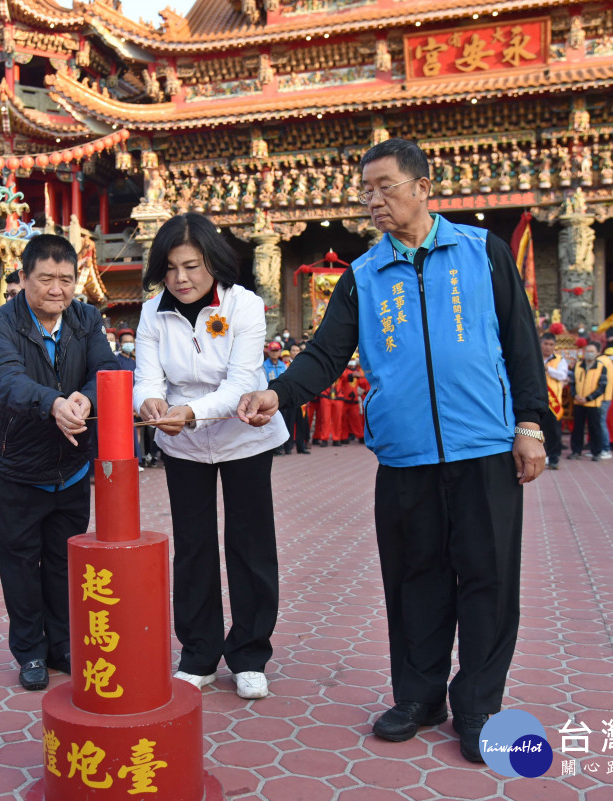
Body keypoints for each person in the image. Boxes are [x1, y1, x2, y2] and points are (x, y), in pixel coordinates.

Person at [237, 138, 548, 762]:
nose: (373, 201)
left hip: (484, 446)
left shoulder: (481, 253)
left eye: (385, 187)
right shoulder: (362, 275)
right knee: (414, 580)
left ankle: (479, 702)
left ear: (423, 186)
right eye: (366, 192)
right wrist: (279, 393)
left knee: (488, 579)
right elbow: (325, 354)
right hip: (405, 456)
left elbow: (520, 340)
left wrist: (531, 423)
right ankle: (419, 693)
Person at [134, 213, 288, 700]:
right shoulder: (151, 311)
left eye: (192, 266)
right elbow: (147, 376)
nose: (181, 278)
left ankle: (249, 653)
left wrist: (190, 411)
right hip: (182, 444)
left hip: (243, 435)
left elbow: (243, 383)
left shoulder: (244, 305)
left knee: (249, 543)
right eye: (171, 267)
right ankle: (198, 652)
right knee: (194, 545)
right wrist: (150, 403)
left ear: (214, 264)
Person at [0, 234, 118, 691]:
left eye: (65, 279)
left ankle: (63, 645)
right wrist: (53, 403)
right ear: (23, 279)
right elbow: (3, 380)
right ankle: (30, 651)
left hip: (72, 467)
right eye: (45, 279)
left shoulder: (85, 318)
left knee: (66, 565)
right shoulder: (2, 323)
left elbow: (107, 371)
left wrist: (87, 397)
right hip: (18, 467)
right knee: (20, 565)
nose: (57, 289)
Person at [570, 344, 607, 462]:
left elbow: (602, 386)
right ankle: (576, 451)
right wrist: (575, 395)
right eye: (587, 351)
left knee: (595, 428)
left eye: (592, 351)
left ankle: (596, 452)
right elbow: (572, 383)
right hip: (578, 402)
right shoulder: (578, 366)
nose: (589, 353)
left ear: (597, 353)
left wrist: (588, 398)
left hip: (593, 403)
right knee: (577, 428)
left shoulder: (601, 367)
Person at [541, 332, 568, 469]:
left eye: (551, 344)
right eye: (545, 343)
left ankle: (554, 458)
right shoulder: (535, 357)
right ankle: (541, 455)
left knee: (554, 431)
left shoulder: (560, 360)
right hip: (538, 399)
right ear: (541, 343)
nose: (548, 347)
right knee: (538, 430)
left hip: (553, 402)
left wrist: (548, 369)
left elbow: (562, 375)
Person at [596, 346, 613, 459]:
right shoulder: (609, 362)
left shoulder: (602, 361)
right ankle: (600, 449)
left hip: (602, 397)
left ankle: (605, 449)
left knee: (601, 423)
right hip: (605, 396)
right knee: (600, 423)